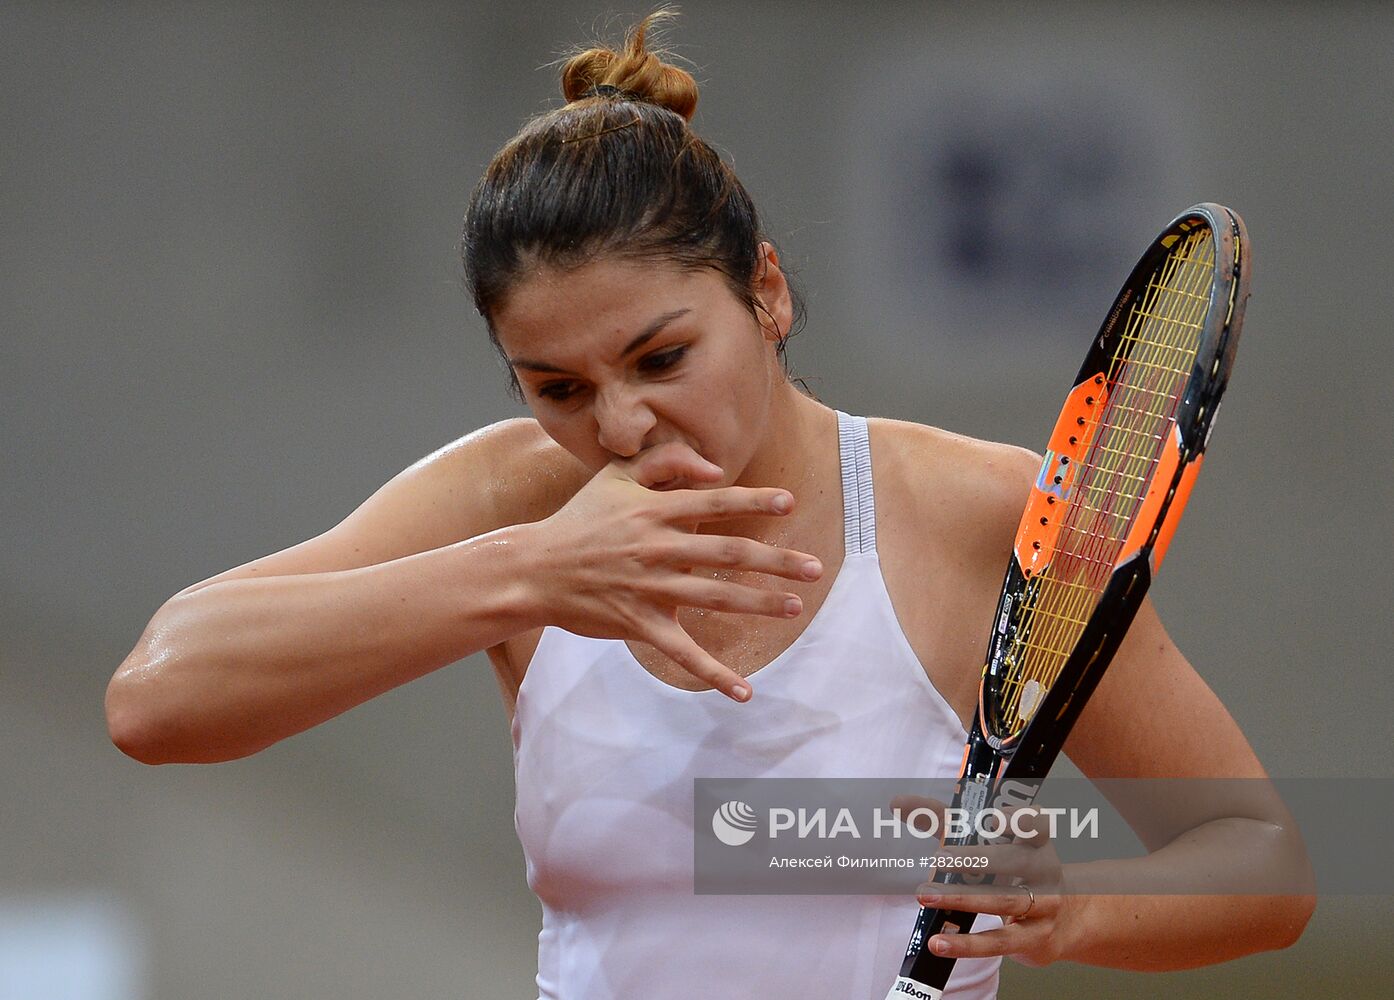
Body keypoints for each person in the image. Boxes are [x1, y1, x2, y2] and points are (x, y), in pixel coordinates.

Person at [105, 10, 1313, 999]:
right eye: (557, 387)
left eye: (661, 358)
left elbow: (1261, 869)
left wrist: (1078, 905)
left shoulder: (975, 514)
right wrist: (529, 572)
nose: (618, 427)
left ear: (767, 294)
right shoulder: (513, 497)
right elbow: (157, 698)